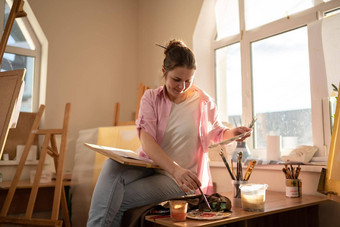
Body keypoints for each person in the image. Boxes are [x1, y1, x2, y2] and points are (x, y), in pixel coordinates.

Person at [87, 39, 251, 226]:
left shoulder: (204, 103)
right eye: (176, 79)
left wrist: (233, 133)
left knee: (112, 200)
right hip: (153, 167)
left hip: (182, 179)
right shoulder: (151, 98)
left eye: (188, 80)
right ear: (164, 72)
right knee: (111, 166)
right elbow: (147, 142)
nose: (182, 86)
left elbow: (217, 133)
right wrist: (174, 168)